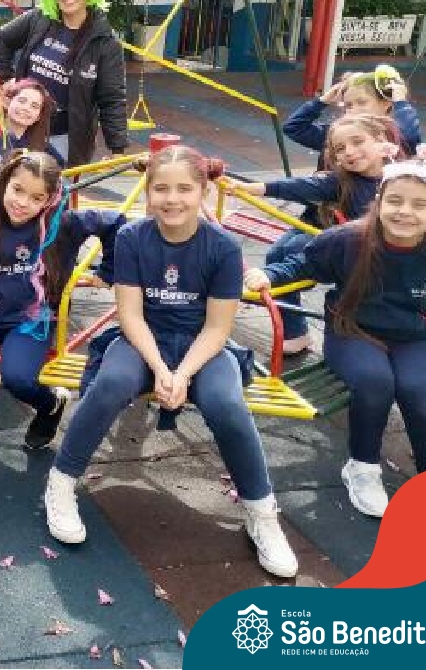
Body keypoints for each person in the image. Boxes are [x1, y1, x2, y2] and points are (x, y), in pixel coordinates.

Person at [42, 146, 298, 579]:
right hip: (145, 338)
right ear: (148, 192)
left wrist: (182, 374)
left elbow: (217, 328)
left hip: (202, 345)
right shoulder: (132, 238)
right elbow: (130, 315)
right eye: (161, 188)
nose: (172, 199)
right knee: (111, 383)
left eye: (184, 189)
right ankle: (61, 482)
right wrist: (162, 370)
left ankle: (261, 511)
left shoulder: (221, 247)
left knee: (226, 403)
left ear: (203, 192)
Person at [244, 159, 426, 518]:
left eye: (420, 204)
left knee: (422, 393)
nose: (405, 211)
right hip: (355, 332)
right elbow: (301, 264)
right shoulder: (347, 240)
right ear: (379, 202)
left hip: (420, 337)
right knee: (375, 382)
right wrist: (268, 274)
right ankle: (362, 466)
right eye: (395, 201)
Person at [0, 151, 125, 448]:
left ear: (49, 199)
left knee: (18, 379)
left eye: (36, 198)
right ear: (5, 183)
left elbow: (115, 221)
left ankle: (50, 404)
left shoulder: (63, 224)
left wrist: (108, 271)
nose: (22, 203)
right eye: (17, 190)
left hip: (33, 319)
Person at [233, 112, 398, 356]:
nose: (349, 152)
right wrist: (255, 188)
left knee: (293, 253)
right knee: (279, 254)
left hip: (371, 252)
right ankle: (295, 331)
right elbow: (300, 186)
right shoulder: (341, 181)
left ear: (380, 141)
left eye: (357, 142)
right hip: (339, 240)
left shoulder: (401, 177)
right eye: (340, 149)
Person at [0, 0, 128, 166]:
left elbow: (112, 98)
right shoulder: (40, 19)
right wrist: (4, 80)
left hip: (64, 135)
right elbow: (3, 38)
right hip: (21, 127)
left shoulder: (105, 43)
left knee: (56, 184)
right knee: (11, 178)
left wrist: (117, 148)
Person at [284, 65, 421, 164]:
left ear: (386, 103)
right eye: (348, 105)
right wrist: (322, 101)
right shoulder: (338, 134)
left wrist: (401, 104)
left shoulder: (392, 134)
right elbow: (293, 128)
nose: (353, 110)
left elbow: (409, 138)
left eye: (362, 102)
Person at [3, 79, 61, 165]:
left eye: (34, 106)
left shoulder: (44, 149)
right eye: (22, 101)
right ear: (7, 102)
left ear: (38, 116)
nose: (26, 108)